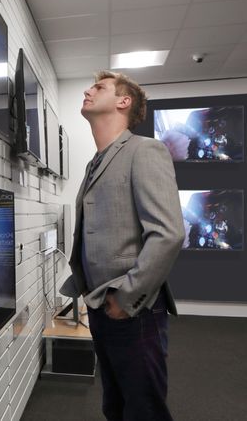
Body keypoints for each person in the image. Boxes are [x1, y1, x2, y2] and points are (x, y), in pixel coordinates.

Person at [60, 70, 184, 421]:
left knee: (143, 408)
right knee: (115, 405)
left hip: (132, 310)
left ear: (123, 101)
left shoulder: (145, 151)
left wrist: (126, 299)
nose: (87, 90)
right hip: (101, 304)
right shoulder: (94, 162)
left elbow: (168, 233)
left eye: (99, 87)